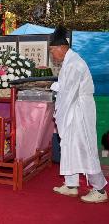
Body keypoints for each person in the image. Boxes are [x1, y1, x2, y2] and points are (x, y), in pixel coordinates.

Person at [50, 25, 107, 203]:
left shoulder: (74, 64)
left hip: (79, 111)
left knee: (85, 148)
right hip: (74, 108)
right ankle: (71, 184)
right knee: (69, 145)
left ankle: (100, 189)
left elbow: (68, 93)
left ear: (61, 48)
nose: (52, 55)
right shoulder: (69, 61)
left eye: (52, 51)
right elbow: (64, 87)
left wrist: (58, 114)